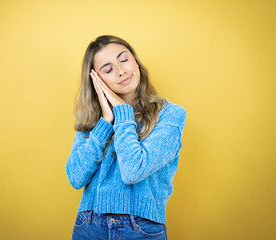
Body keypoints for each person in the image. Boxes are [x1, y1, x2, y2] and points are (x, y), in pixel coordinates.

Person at [65, 35, 187, 240]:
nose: (121, 71)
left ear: (136, 62)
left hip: (141, 229)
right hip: (89, 226)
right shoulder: (93, 121)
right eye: (108, 69)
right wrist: (105, 122)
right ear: (97, 80)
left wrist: (122, 112)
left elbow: (133, 170)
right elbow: (76, 178)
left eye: (124, 59)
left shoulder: (171, 115)